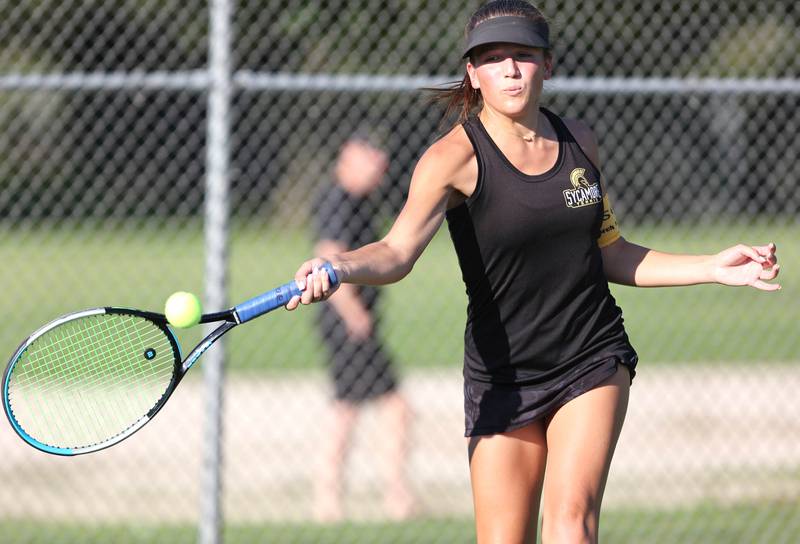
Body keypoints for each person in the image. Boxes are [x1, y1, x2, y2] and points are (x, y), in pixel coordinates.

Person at [289, 1, 781, 541]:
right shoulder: (451, 158)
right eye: (493, 58)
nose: (510, 69)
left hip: (589, 355)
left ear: (548, 65)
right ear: (472, 74)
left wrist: (712, 265)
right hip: (503, 377)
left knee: (569, 523)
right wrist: (340, 266)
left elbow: (611, 252)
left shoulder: (580, 142)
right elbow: (397, 251)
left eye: (523, 55)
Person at [310, 129, 414, 522]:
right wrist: (355, 315)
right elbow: (325, 261)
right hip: (347, 324)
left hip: (353, 323)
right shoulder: (339, 201)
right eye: (372, 161)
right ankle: (364, 497)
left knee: (358, 406)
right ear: (350, 158)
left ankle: (360, 497)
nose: (379, 170)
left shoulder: (358, 201)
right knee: (366, 408)